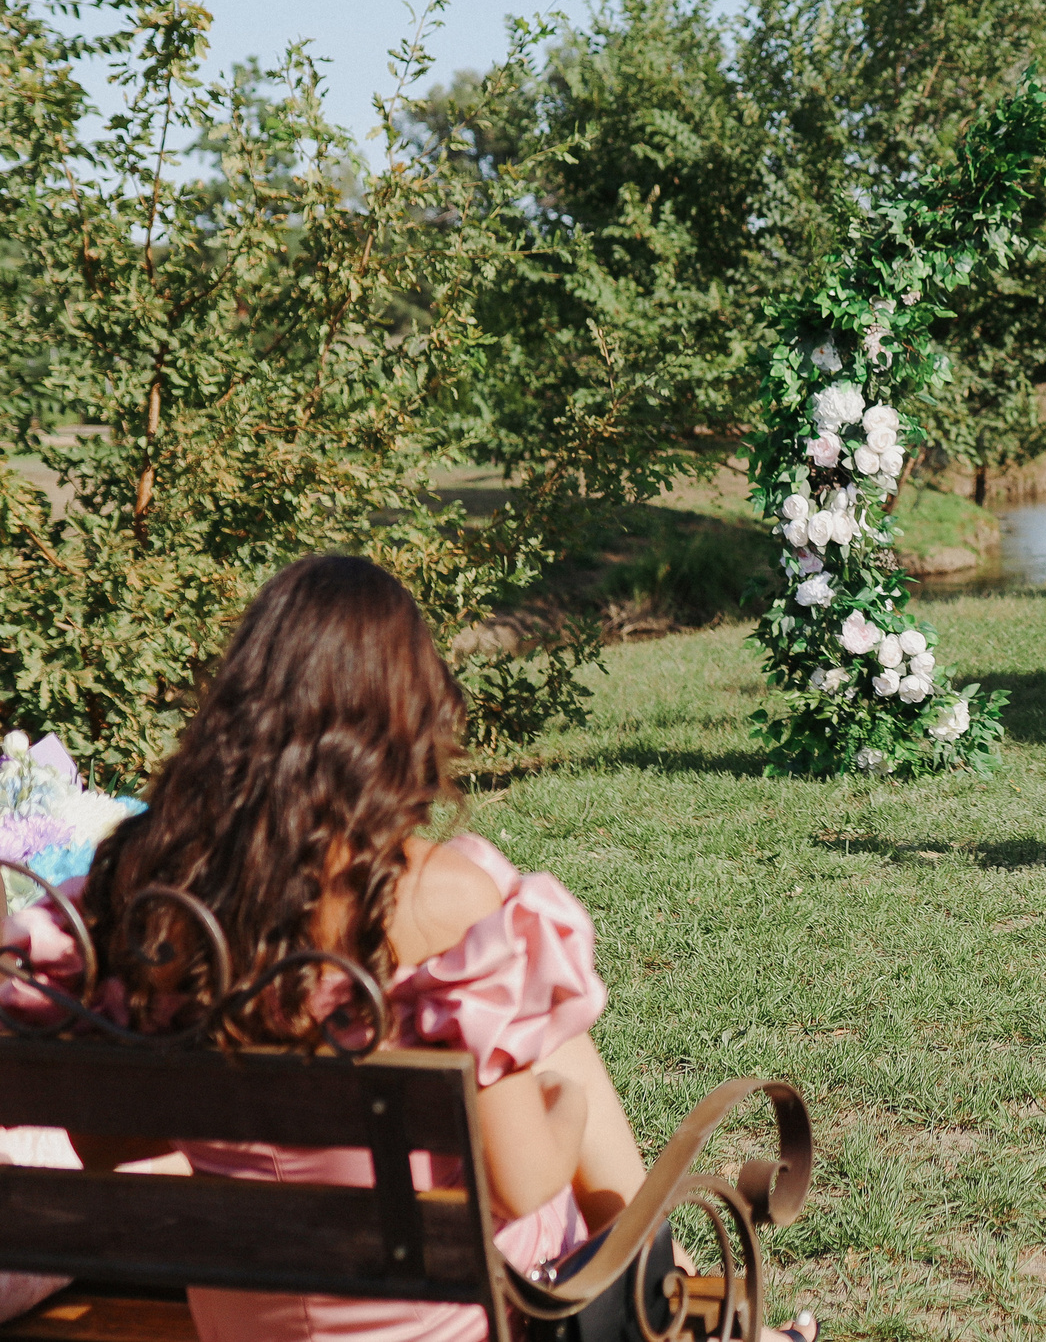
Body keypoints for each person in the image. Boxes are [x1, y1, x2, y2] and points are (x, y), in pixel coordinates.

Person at [4, 556, 812, 1342]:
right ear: (401, 716)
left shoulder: (153, 891)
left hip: (242, 1316)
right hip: (465, 1318)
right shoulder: (433, 898)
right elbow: (525, 1180)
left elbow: (106, 1142)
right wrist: (561, 1102)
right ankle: (689, 1310)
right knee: (555, 1038)